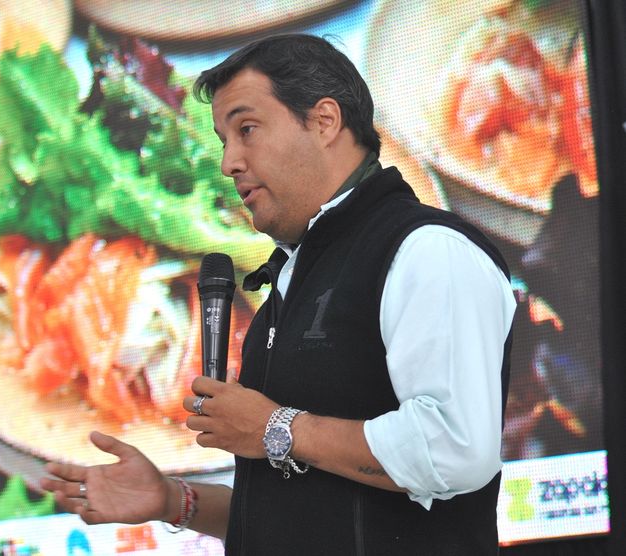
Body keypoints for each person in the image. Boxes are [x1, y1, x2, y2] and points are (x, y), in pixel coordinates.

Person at [40, 33, 516, 555]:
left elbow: (454, 449)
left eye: (246, 129)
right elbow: (301, 512)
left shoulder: (427, 249)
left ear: (325, 121)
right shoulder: (293, 280)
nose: (228, 163)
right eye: (224, 140)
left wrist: (275, 427)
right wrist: (174, 500)